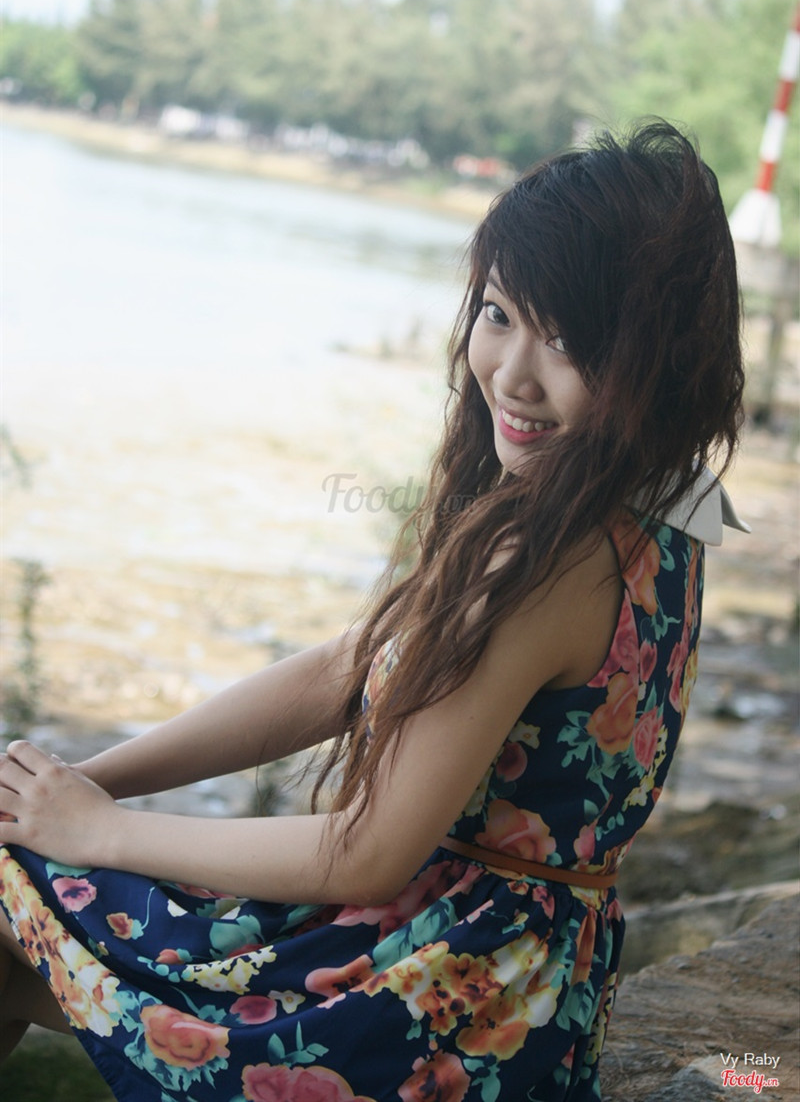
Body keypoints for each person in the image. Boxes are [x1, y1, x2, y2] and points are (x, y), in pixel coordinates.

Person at [0, 120, 748, 1102]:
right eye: (498, 315)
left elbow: (366, 852)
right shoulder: (669, 511)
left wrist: (100, 831)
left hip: (422, 1003)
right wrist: (81, 787)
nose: (512, 374)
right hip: (525, 987)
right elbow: (346, 667)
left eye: (569, 341)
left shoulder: (541, 556)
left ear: (655, 358)